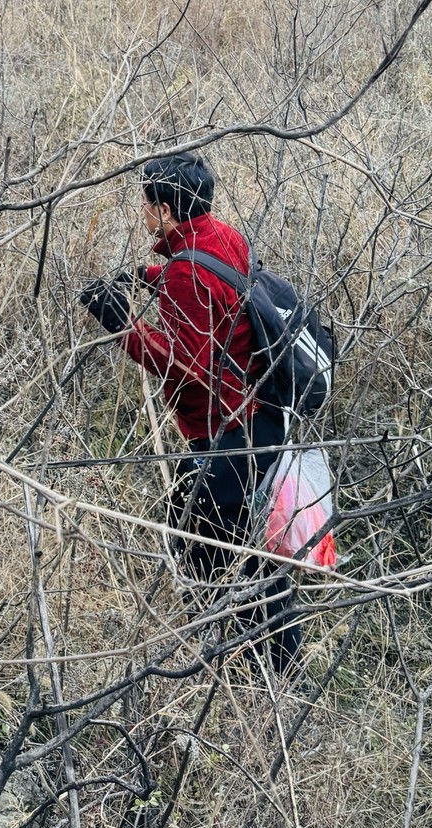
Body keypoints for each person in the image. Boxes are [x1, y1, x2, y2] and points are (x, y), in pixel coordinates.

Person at [79, 151, 302, 676]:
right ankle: (270, 664)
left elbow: (187, 367)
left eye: (146, 203)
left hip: (228, 429)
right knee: (240, 543)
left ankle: (233, 661)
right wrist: (148, 275)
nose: (142, 212)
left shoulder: (187, 273)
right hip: (262, 414)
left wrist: (122, 327)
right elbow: (218, 282)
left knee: (197, 541)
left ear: (164, 209)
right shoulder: (222, 234)